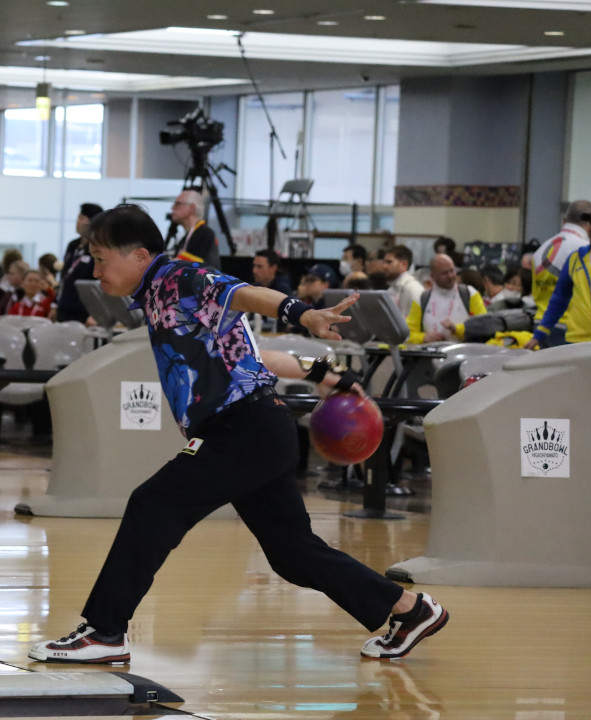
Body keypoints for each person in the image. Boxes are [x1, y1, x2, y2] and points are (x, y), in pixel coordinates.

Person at [27, 204, 447, 665]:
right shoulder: (155, 294)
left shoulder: (179, 278)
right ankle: (410, 610)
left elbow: (246, 293)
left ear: (140, 254)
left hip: (243, 429)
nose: (95, 269)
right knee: (293, 554)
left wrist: (301, 313)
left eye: (101, 258)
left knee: (155, 503)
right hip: (258, 430)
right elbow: (252, 352)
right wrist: (326, 374)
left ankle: (105, 632)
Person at [528, 201, 591, 347]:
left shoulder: (542, 248)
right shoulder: (579, 251)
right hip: (568, 328)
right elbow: (561, 296)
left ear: (565, 220)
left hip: (542, 323)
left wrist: (540, 331)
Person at [405, 253, 487, 344]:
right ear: (433, 276)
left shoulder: (470, 294)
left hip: (465, 353)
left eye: (452, 271)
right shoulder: (422, 299)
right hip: (432, 353)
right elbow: (408, 334)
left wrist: (457, 329)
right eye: (445, 273)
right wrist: (423, 338)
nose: (451, 276)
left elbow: (484, 326)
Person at [56, 202, 102, 324]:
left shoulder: (98, 248)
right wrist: (55, 304)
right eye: (78, 218)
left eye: (81, 218)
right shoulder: (73, 245)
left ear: (93, 222)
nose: (77, 222)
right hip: (65, 306)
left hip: (84, 310)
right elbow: (65, 275)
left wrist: (95, 313)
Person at [170, 189, 219, 268]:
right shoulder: (189, 236)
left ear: (192, 208)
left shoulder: (205, 234)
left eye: (177, 203)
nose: (172, 207)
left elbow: (193, 266)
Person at [383, 245, 424, 316]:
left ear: (404, 264)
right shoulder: (392, 287)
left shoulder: (413, 287)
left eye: (389, 262)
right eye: (384, 262)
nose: (384, 266)